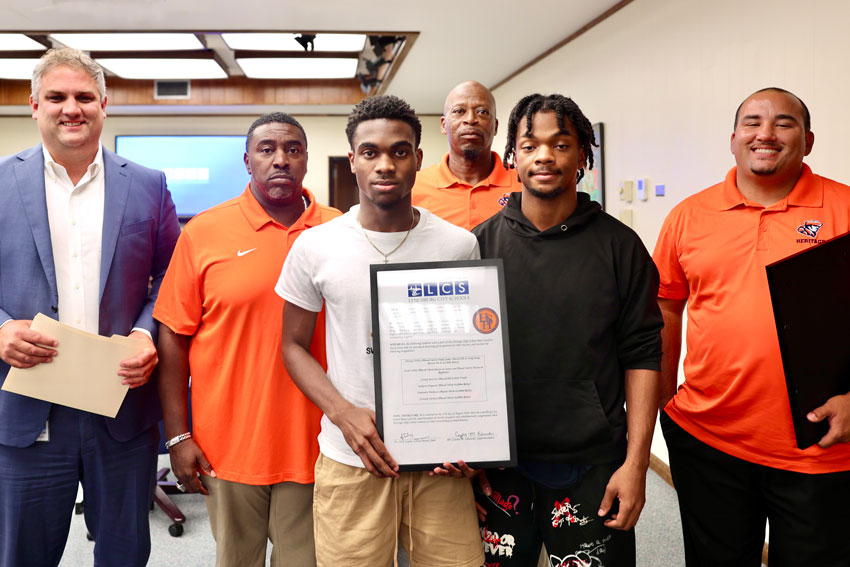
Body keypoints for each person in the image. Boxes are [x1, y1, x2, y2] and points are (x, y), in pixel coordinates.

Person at [277, 95, 484, 567]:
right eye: (370, 152)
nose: (385, 164)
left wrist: (473, 434)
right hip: (352, 457)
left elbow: (472, 353)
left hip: (439, 463)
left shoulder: (457, 245)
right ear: (352, 161)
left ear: (418, 159)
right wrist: (343, 412)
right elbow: (291, 346)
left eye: (400, 151)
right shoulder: (316, 246)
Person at [653, 87, 850, 566]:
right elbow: (665, 312)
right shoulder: (688, 216)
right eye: (753, 122)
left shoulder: (843, 209)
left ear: (808, 139)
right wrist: (661, 405)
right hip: (707, 440)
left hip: (819, 446)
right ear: (734, 138)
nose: (766, 133)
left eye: (784, 123)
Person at [0, 48, 179, 567]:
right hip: (28, 416)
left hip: (121, 411)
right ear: (34, 106)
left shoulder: (148, 184)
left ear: (104, 104)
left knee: (124, 553)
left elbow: (171, 275)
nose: (70, 108)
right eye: (56, 97)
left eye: (83, 97)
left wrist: (147, 333)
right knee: (22, 555)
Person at [471, 93, 663, 567]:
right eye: (530, 144)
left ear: (582, 156)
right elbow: (460, 358)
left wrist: (636, 462)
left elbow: (642, 355)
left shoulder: (621, 247)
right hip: (499, 466)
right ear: (512, 155)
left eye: (560, 144)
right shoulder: (477, 244)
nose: (544, 156)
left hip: (592, 461)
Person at [154, 113, 340, 566]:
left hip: (319, 445)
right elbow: (173, 337)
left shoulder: (339, 231)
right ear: (247, 160)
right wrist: (179, 436)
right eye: (267, 149)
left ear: (306, 160)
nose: (280, 160)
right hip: (229, 449)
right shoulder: (203, 232)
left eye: (293, 149)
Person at [411, 80, 521, 229]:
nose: (470, 119)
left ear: (495, 127)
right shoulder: (413, 186)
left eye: (482, 112)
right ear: (444, 125)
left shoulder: (523, 184)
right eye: (459, 111)